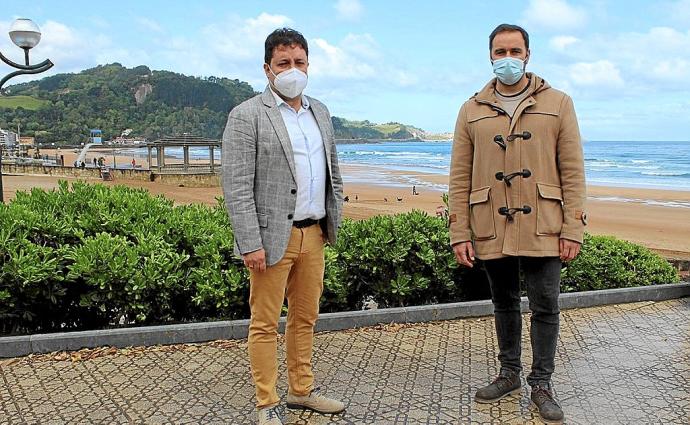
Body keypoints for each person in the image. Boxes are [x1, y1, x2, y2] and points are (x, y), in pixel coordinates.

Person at [448, 23, 586, 424]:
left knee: (546, 304)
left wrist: (573, 227)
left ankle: (541, 382)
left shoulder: (559, 102)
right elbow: (459, 175)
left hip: (544, 219)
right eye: (500, 51)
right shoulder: (470, 109)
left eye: (515, 50)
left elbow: (573, 171)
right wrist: (460, 231)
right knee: (503, 302)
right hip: (491, 219)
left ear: (527, 54)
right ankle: (508, 373)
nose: (507, 58)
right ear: (490, 56)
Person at [222, 28, 345, 425]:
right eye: (284, 63)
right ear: (267, 68)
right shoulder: (247, 115)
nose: (293, 70)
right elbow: (237, 185)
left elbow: (332, 173)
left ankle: (301, 391)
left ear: (309, 65)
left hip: (315, 233)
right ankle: (266, 402)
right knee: (264, 322)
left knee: (305, 318)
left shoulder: (320, 112)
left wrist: (331, 222)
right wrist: (249, 243)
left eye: (299, 62)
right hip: (272, 237)